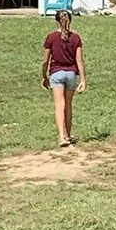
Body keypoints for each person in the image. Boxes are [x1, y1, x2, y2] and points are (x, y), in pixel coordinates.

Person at [42, 10, 86, 147]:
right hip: (71, 73)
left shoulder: (51, 37)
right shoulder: (76, 38)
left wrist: (44, 76)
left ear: (56, 21)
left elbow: (45, 61)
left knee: (59, 105)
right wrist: (83, 79)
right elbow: (79, 59)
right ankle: (68, 134)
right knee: (68, 105)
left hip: (56, 73)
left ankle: (61, 136)